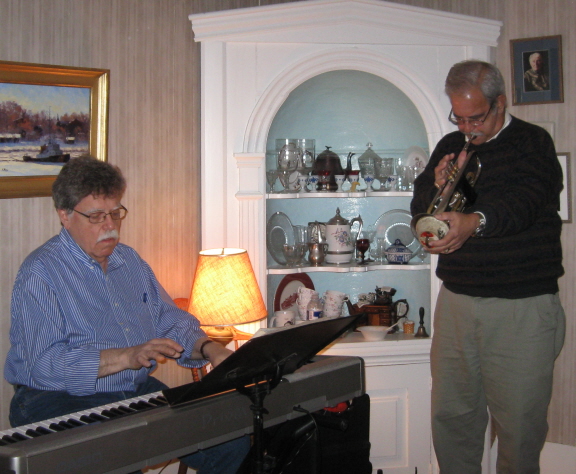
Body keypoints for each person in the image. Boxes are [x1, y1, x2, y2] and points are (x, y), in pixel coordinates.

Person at [4, 156, 250, 474]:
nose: (110, 226)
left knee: (230, 442)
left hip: (129, 391)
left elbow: (168, 320)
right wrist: (127, 356)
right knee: (120, 457)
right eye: (96, 216)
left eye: (116, 213)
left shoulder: (129, 261)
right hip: (55, 397)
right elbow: (45, 366)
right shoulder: (41, 273)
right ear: (65, 215)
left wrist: (209, 348)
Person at [411, 60, 565, 474]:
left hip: (521, 306)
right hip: (457, 302)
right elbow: (421, 204)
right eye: (459, 118)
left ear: (500, 104)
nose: (467, 128)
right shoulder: (451, 144)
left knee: (518, 425)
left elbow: (524, 202)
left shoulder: (533, 142)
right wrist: (435, 185)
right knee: (452, 418)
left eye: (475, 118)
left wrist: (474, 222)